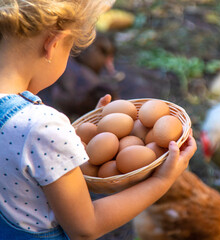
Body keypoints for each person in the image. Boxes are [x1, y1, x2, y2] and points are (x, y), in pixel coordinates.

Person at [0, 1, 197, 240]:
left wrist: (90, 135)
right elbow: (85, 228)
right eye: (70, 48)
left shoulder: (31, 125)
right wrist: (162, 181)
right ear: (52, 45)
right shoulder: (41, 127)